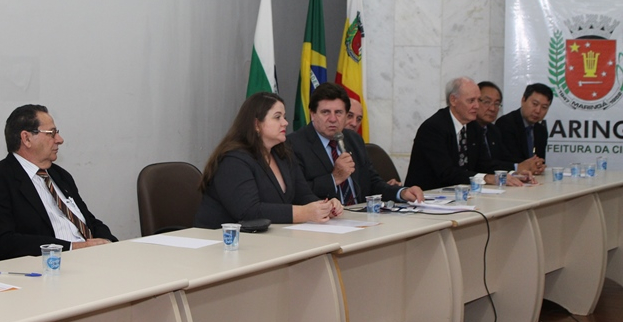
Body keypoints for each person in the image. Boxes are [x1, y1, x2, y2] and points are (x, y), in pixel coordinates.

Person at [0, 105, 116, 262]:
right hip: (48, 267)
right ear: (26, 138)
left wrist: (109, 243)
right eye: (51, 133)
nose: (60, 140)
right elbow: (4, 242)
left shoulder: (60, 175)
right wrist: (73, 248)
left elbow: (89, 222)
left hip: (91, 260)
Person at [194, 92, 342, 230]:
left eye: (284, 117)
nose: (285, 123)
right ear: (256, 124)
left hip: (270, 237)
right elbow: (249, 212)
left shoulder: (284, 155)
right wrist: (304, 213)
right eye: (277, 117)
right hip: (223, 240)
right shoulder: (233, 160)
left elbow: (303, 195)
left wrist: (324, 206)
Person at [288, 83, 423, 205]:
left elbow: (372, 183)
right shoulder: (294, 144)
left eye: (339, 113)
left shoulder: (353, 139)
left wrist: (402, 193)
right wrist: (334, 178)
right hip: (325, 219)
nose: (333, 119)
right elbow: (295, 194)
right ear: (312, 114)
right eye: (326, 112)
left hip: (360, 216)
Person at [405, 77, 530, 191]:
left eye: (478, 100)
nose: (477, 106)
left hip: (461, 195)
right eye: (471, 101)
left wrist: (512, 174)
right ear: (453, 100)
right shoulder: (434, 128)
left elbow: (485, 164)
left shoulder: (473, 127)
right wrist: (487, 178)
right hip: (427, 196)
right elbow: (446, 173)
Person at [476, 81, 544, 175]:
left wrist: (534, 164)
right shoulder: (468, 130)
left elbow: (504, 159)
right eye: (487, 102)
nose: (492, 109)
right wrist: (517, 167)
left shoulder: (493, 130)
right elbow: (482, 165)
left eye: (497, 104)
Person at [495, 83, 552, 166]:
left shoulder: (541, 130)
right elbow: (508, 159)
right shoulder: (506, 123)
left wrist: (539, 165)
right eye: (535, 104)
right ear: (523, 100)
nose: (538, 111)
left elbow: (540, 159)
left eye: (544, 107)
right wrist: (532, 165)